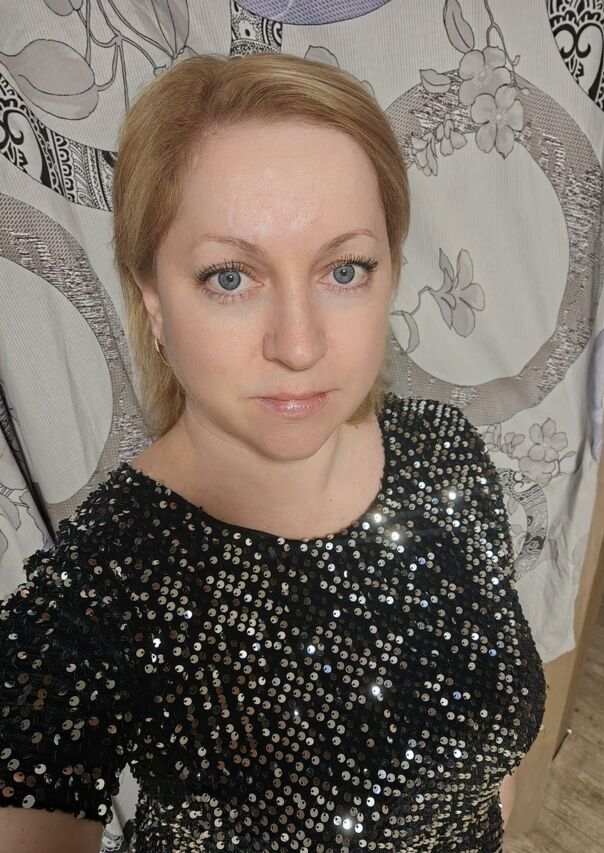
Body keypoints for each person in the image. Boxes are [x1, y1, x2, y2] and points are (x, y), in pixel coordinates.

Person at [0, 52, 547, 853]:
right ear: (153, 298)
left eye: (344, 269)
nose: (299, 344)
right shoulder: (104, 583)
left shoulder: (445, 454)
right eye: (231, 277)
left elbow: (489, 763)